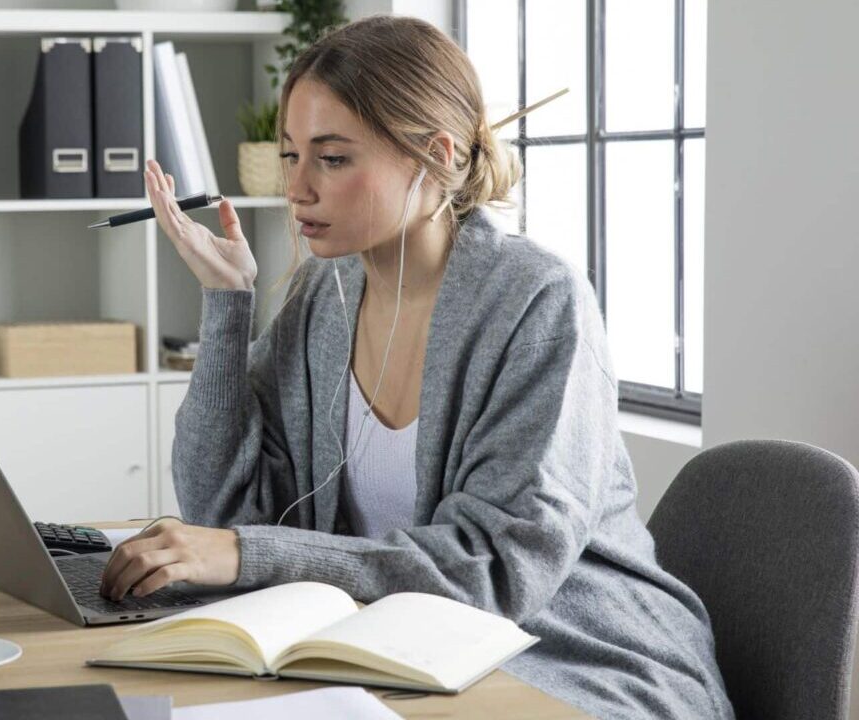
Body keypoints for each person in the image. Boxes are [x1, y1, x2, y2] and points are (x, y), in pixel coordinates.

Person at [98, 14, 734, 719]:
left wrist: (247, 554)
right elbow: (226, 516)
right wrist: (227, 308)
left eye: (332, 158)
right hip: (397, 661)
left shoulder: (539, 303)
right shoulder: (323, 296)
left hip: (572, 663)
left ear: (436, 156)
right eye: (290, 157)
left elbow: (493, 576)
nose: (298, 188)